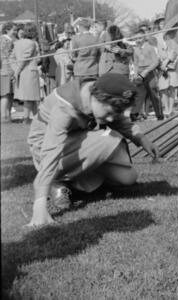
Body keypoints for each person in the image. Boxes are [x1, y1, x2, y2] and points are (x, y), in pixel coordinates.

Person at [26, 73, 160, 227]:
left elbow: (120, 120)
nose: (110, 119)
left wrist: (143, 140)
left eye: (114, 114)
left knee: (128, 177)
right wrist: (39, 205)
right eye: (108, 112)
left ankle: (71, 183)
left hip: (73, 142)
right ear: (96, 97)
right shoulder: (65, 105)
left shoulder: (99, 92)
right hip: (44, 148)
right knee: (108, 138)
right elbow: (51, 151)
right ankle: (55, 182)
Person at [131, 31, 163, 121]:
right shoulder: (136, 49)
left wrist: (146, 71)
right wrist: (136, 74)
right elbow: (136, 63)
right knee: (139, 94)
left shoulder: (150, 48)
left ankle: (159, 114)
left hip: (150, 72)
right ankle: (135, 114)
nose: (138, 40)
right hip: (140, 73)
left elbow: (156, 62)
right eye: (136, 38)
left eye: (140, 38)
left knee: (153, 93)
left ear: (144, 38)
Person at [13, 23, 41, 123]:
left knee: (31, 97)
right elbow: (26, 58)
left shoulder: (17, 43)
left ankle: (38, 118)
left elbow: (12, 58)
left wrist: (16, 69)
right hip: (29, 72)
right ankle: (26, 118)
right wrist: (18, 70)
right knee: (30, 97)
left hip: (22, 73)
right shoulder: (32, 43)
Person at [157, 33, 178, 116]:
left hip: (172, 67)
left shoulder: (174, 42)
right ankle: (166, 108)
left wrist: (167, 61)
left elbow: (175, 53)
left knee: (172, 88)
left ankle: (170, 109)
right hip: (162, 68)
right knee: (163, 89)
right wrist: (161, 63)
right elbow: (157, 54)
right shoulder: (158, 42)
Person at [1, 22, 16, 123]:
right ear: (7, 30)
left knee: (10, 94)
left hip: (10, 70)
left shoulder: (11, 40)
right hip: (5, 70)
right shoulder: (4, 40)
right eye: (13, 30)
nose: (15, 32)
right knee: (5, 94)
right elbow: (4, 55)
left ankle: (9, 115)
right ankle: (3, 116)